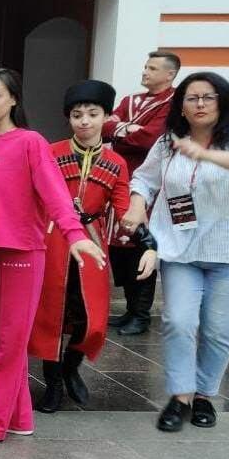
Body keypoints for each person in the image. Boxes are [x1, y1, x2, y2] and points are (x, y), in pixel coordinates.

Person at [0, 68, 106, 446]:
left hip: (24, 253)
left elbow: (55, 194)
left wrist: (75, 235)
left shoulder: (31, 142)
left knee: (11, 342)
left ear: (13, 99)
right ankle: (19, 416)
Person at [31, 80, 159, 413]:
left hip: (93, 242)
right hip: (54, 239)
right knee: (51, 316)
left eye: (92, 114)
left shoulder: (116, 162)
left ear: (106, 117)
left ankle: (72, 365)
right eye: (77, 115)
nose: (84, 121)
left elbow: (124, 209)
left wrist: (146, 239)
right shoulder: (51, 151)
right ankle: (53, 383)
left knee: (92, 319)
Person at [120, 71, 229, 432]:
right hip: (179, 247)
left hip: (228, 250)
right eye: (192, 98)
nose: (200, 104)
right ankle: (181, 396)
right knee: (179, 322)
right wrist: (137, 204)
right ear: (181, 106)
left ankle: (204, 395)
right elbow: (144, 178)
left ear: (222, 102)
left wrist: (205, 155)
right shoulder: (167, 142)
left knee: (219, 331)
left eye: (208, 97)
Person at [102, 51, 180, 336]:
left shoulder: (173, 103)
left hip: (150, 185)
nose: (145, 71)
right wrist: (127, 129)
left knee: (141, 243)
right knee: (119, 243)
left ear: (170, 74)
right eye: (146, 66)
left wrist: (120, 129)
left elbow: (150, 139)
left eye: (153, 68)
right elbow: (104, 128)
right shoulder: (130, 100)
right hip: (120, 178)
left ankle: (141, 314)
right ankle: (129, 309)